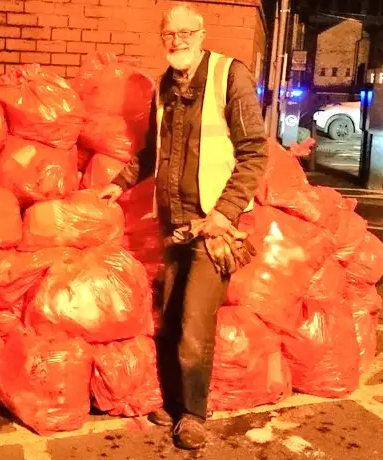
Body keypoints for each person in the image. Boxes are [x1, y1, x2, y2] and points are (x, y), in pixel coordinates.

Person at [98, 2, 269, 451]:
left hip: (214, 225)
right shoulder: (165, 86)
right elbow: (153, 151)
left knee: (194, 320)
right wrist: (119, 183)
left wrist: (225, 212)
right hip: (175, 224)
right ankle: (175, 403)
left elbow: (254, 151)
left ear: (201, 32)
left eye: (185, 32)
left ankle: (193, 414)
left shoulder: (229, 75)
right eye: (168, 34)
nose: (177, 41)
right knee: (172, 315)